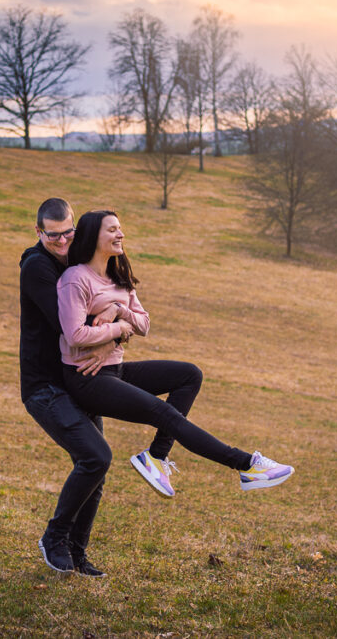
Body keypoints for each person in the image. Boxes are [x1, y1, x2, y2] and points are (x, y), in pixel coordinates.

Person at [57, 209, 295, 499]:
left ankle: (156, 457)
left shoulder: (118, 277)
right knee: (165, 413)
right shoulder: (75, 278)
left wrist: (119, 311)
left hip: (114, 370)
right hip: (86, 379)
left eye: (120, 228)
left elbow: (144, 324)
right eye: (112, 229)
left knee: (189, 375)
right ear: (94, 235)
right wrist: (119, 330)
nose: (121, 234)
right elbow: (75, 336)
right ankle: (246, 464)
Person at [20, 198, 120, 578]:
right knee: (96, 456)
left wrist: (114, 318)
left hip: (79, 379)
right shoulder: (37, 268)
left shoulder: (76, 262)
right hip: (44, 386)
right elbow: (74, 328)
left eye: (68, 233)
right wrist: (116, 321)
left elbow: (112, 300)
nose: (62, 241)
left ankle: (77, 554)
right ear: (38, 231)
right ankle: (54, 538)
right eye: (53, 235)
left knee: (95, 467)